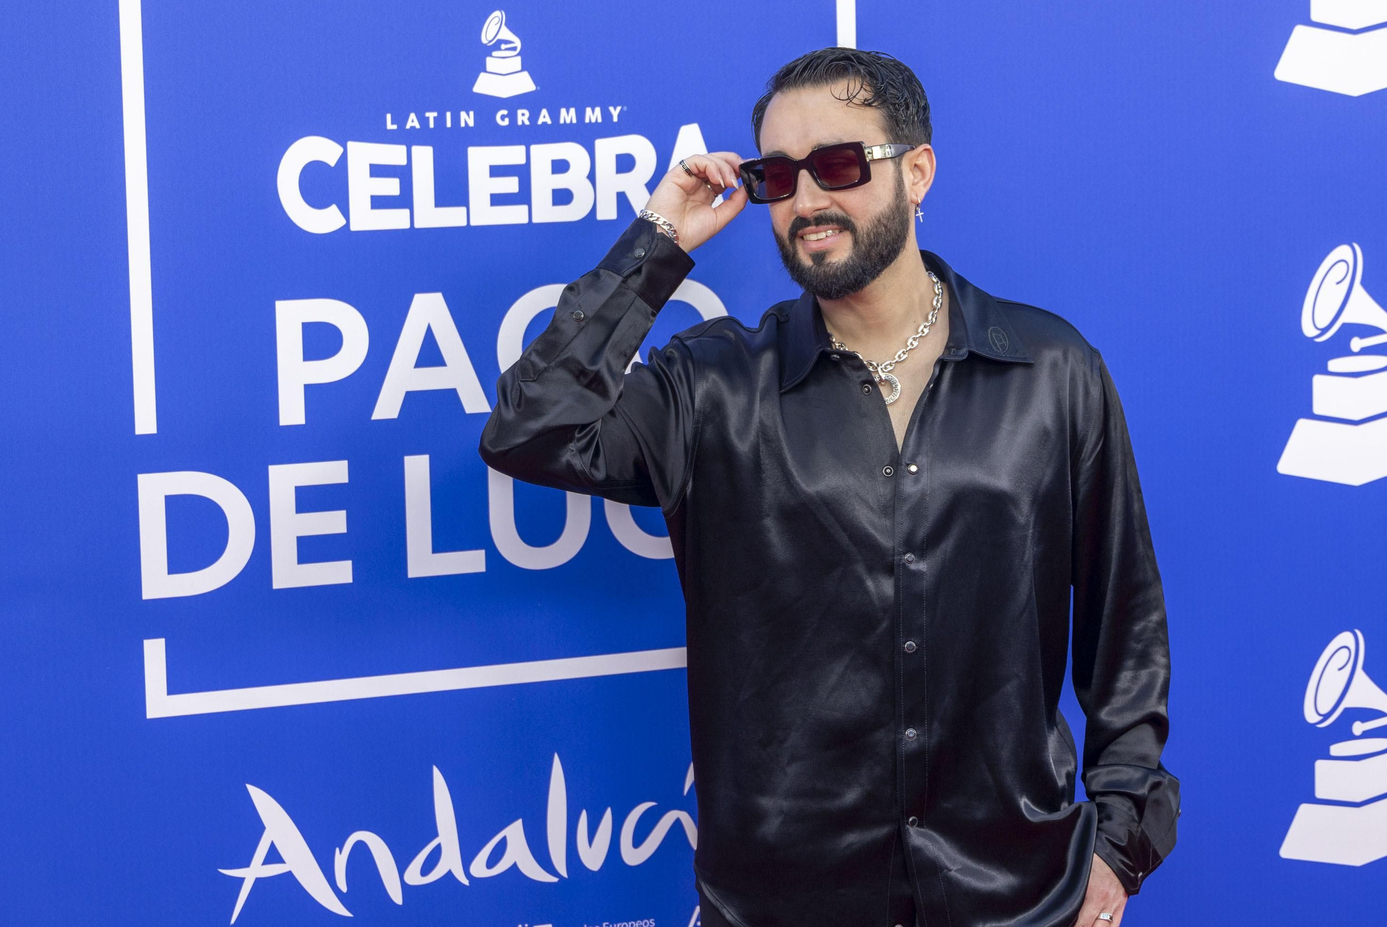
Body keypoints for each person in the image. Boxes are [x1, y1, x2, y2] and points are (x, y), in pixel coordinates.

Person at [480, 48, 1178, 927]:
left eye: (840, 165)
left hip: (1015, 898)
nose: (807, 200)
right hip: (780, 905)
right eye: (778, 176)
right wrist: (658, 241)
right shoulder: (714, 386)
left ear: (917, 172)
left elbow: (1125, 629)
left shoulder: (1051, 371)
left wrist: (1117, 845)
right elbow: (532, 429)